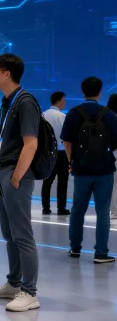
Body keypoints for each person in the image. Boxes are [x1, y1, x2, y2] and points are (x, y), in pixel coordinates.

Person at [0, 53, 40, 312]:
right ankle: (14, 282)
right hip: (1, 171)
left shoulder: (25, 102)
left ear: (7, 73)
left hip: (14, 173)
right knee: (9, 233)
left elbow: (30, 144)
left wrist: (17, 177)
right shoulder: (6, 102)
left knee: (22, 234)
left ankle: (29, 292)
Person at [61, 77, 117, 264]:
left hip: (81, 169)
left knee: (78, 209)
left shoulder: (74, 113)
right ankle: (101, 253)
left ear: (82, 91)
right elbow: (115, 142)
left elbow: (66, 140)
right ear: (100, 92)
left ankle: (75, 248)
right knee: (103, 211)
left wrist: (72, 160)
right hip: (105, 169)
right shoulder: (109, 115)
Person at [41, 92, 70, 215]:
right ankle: (61, 208)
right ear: (58, 100)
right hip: (61, 153)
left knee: (47, 181)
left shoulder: (42, 115)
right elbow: (67, 136)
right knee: (62, 182)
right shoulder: (62, 116)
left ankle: (45, 207)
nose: (65, 102)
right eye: (63, 100)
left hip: (47, 153)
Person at [107, 93, 117, 220]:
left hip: (107, 153)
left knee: (112, 183)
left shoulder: (105, 115)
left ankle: (113, 209)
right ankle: (114, 210)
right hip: (114, 152)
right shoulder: (114, 117)